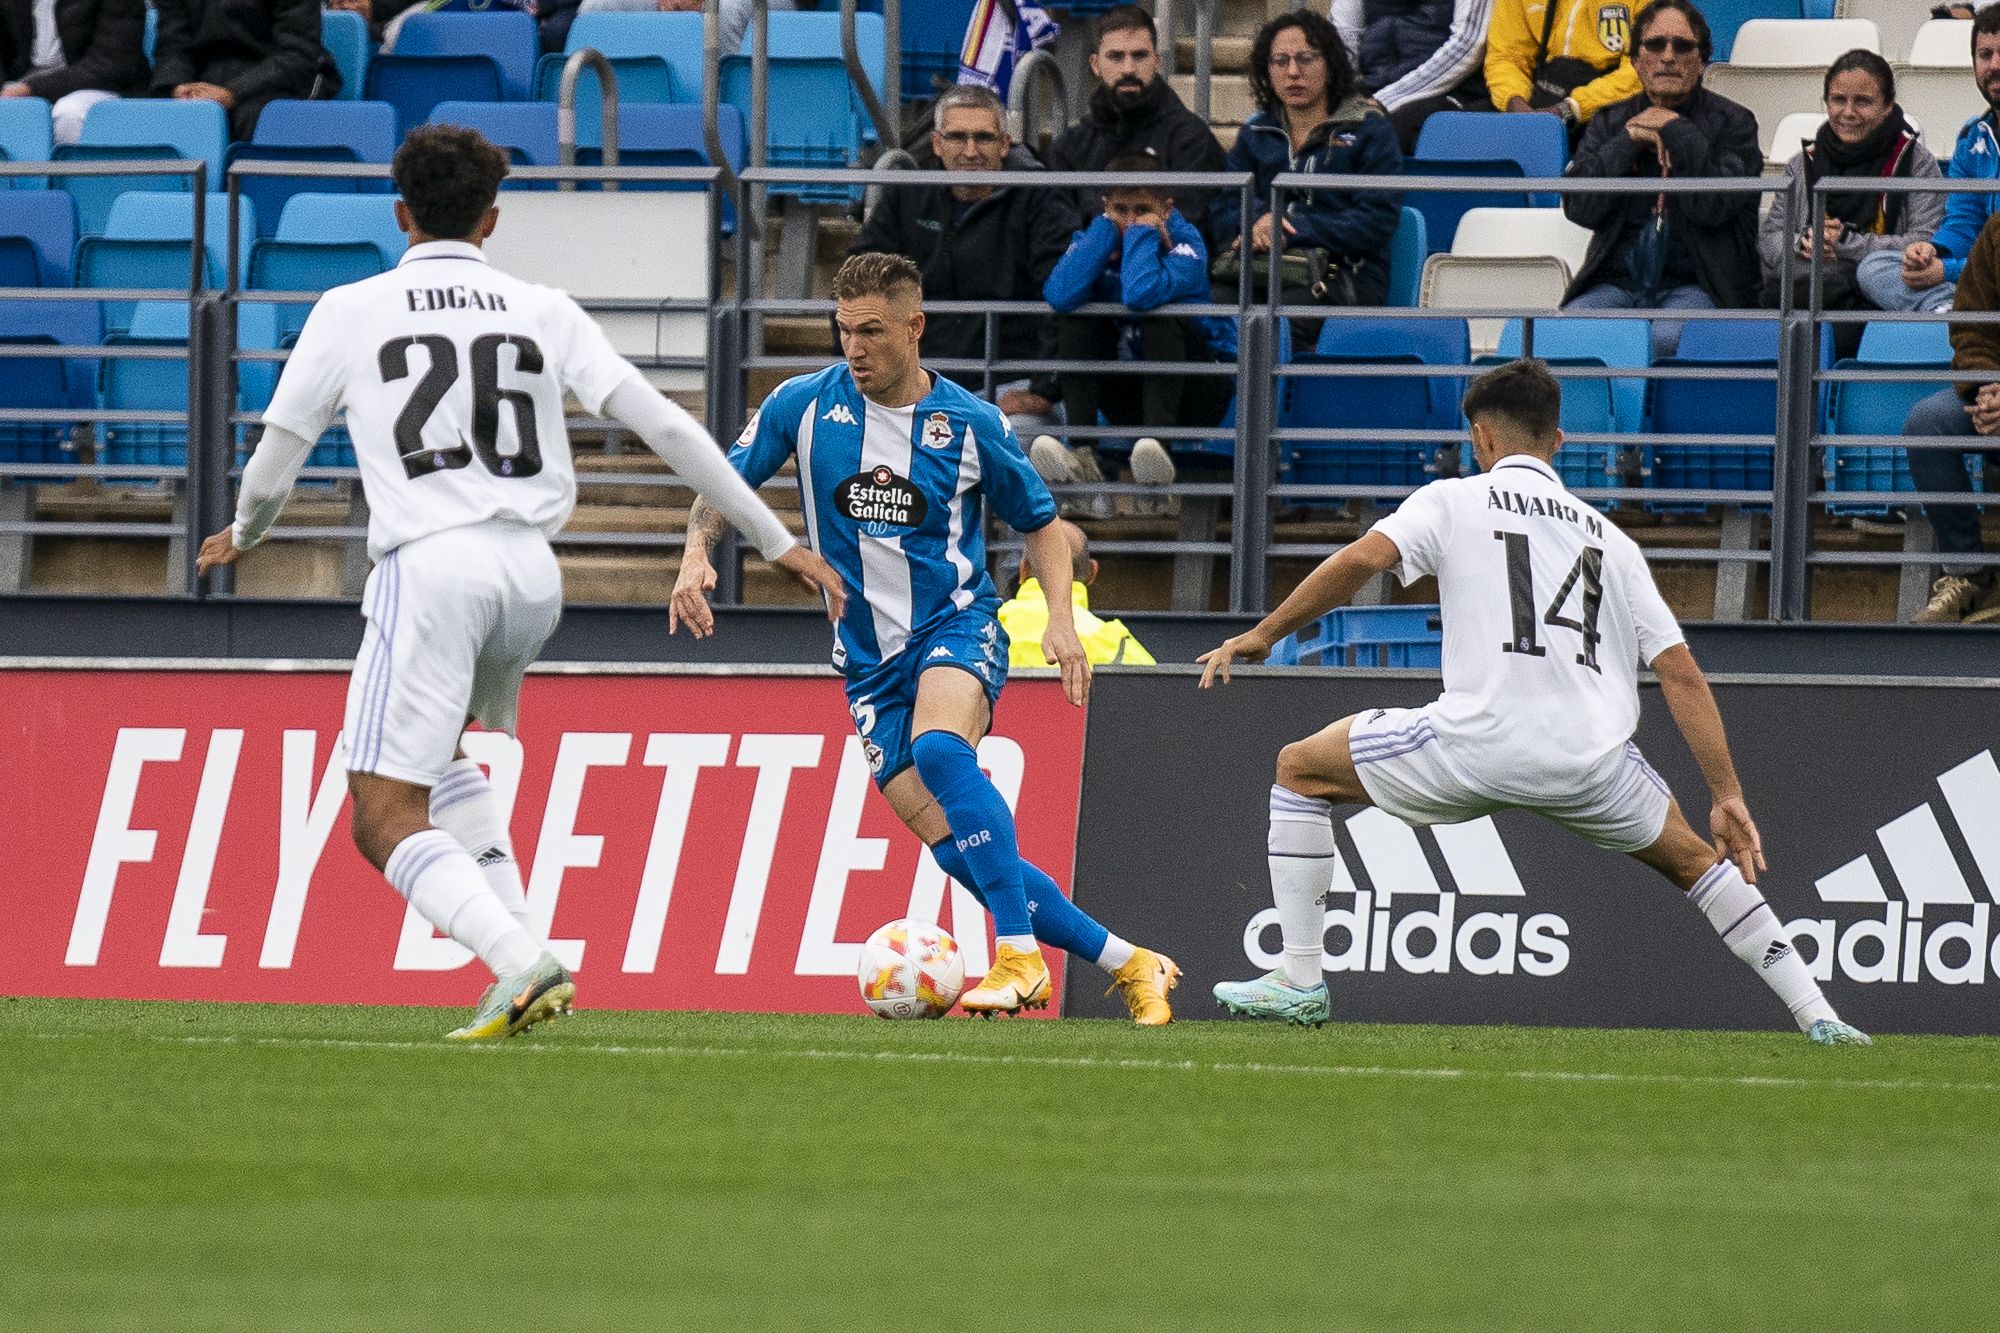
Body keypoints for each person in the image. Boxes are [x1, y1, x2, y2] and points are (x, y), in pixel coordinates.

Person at [195, 126, 845, 1040]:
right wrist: (774, 538)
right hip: (534, 576)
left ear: (400, 214)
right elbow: (668, 424)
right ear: (494, 218)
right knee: (445, 753)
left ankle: (517, 960)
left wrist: (244, 534)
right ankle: (526, 954)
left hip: (431, 567)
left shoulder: (351, 309)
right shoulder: (542, 307)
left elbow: (275, 460)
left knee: (378, 815)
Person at [1195, 359, 1871, 1047]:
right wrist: (1725, 792)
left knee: (1299, 769)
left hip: (1474, 743)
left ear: (1482, 438)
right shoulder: (1613, 541)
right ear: (1560, 441)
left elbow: (1361, 560)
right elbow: (1681, 674)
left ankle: (1302, 980)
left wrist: (1264, 633)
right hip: (1590, 761)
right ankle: (1819, 1014)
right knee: (1700, 861)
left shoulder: (1452, 500)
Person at [672, 252, 1183, 1026]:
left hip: (957, 625)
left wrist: (1056, 616)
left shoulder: (971, 424)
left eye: (872, 331)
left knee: (944, 751)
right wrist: (695, 552)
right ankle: (1131, 961)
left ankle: (1018, 957)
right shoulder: (802, 406)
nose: (854, 348)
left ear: (915, 328)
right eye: (843, 330)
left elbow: (1042, 525)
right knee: (961, 853)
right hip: (868, 665)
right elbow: (723, 485)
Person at [847, 83, 1074, 445]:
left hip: (1009, 386)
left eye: (983, 138)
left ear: (1005, 144)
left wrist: (1044, 388)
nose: (970, 151)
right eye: (957, 137)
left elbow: (1065, 291)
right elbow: (857, 287)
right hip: (915, 384)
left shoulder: (1040, 201)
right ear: (937, 144)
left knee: (1021, 443)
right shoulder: (906, 197)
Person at [1036, 150, 1237, 517]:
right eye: (1120, 210)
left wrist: (1140, 238)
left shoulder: (1186, 243)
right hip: (1132, 393)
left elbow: (1139, 294)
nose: (1130, 220)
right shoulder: (1100, 234)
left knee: (1160, 317)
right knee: (1079, 318)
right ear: (1105, 206)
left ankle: (1155, 459)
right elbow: (1060, 295)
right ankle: (1082, 456)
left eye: (1141, 209)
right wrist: (1101, 235)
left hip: (1199, 391)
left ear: (1166, 207)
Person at [1560, 0, 1759, 361]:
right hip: (1616, 284)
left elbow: (1712, 208)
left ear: (1701, 62)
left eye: (1682, 46)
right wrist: (1628, 141)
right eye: (1655, 45)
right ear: (1636, 60)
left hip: (1699, 286)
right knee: (1572, 333)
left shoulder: (1736, 124)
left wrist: (1675, 129)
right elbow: (1578, 206)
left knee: (1663, 341)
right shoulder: (1610, 122)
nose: (1668, 56)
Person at [1210, 9, 1403, 345]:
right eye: (1280, 61)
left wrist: (1289, 230)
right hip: (1260, 270)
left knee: (1274, 326)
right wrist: (1256, 224)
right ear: (1266, 71)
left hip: (1346, 276)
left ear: (1329, 64)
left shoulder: (1370, 130)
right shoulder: (1256, 132)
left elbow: (1376, 220)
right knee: (1205, 315)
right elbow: (1224, 208)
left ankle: (1270, 400)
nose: (1293, 72)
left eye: (1306, 59)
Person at [1759, 51, 1940, 352]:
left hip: (1881, 302)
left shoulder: (1917, 163)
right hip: (1809, 294)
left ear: (1887, 107)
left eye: (1863, 101)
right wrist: (1803, 243)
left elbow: (1926, 242)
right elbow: (1769, 240)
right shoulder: (1800, 165)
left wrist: (1847, 243)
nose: (1848, 112)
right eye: (1838, 100)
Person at [1856, 8, 2000, 318]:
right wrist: (1932, 253)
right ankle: (1947, 308)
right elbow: (1963, 221)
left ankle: (1952, 312)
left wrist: (1947, 271)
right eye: (1985, 54)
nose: (1994, 66)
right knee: (1874, 267)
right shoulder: (1972, 137)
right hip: (1981, 278)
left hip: (1982, 274)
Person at [1042, 5, 1226, 242]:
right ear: (1095, 65)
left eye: (1139, 56)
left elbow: (1187, 233)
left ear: (1157, 61)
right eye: (1116, 57)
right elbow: (1055, 234)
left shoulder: (1192, 140)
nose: (1128, 68)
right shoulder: (1069, 146)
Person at [1901, 212, 2000, 624]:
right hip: (1995, 386)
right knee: (1928, 423)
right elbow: (1970, 325)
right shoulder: (1997, 230)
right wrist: (1986, 388)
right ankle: (1966, 575)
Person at [149, 0, 338, 139]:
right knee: (164, 114)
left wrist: (233, 92)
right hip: (204, 75)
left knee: (253, 118)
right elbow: (173, 44)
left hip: (279, 79)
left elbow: (299, 53)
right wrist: (178, 86)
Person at [1331, 0, 1497, 153]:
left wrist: (1386, 100)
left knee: (1378, 137)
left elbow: (1468, 45)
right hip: (1377, 83)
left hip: (1453, 88)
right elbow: (1343, 39)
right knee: (1319, 123)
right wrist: (1331, 93)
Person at [998, 518, 1157, 667]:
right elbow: (1156, 691)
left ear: (1023, 569)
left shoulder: (986, 626)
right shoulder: (1117, 643)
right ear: (1092, 573)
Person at [1483, 0, 1648, 133]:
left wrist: (1571, 108)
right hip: (1534, 101)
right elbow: (1506, 56)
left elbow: (1644, 67)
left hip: (1612, 106)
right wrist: (1515, 103)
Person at [0, 0, 150, 144]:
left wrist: (31, 89)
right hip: (26, 83)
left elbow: (113, 64)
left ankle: (68, 169)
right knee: (14, 111)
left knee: (69, 112)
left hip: (102, 85)